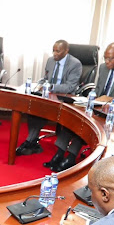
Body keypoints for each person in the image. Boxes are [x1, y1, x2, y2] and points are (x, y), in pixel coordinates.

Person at [15, 40, 83, 171]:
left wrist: (51, 86)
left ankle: (64, 154)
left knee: (70, 121)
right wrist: (40, 84)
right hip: (49, 95)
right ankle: (31, 142)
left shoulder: (75, 64)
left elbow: (70, 86)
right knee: (34, 107)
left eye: (58, 51)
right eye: (54, 50)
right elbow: (46, 78)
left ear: (66, 51)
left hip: (66, 98)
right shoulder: (50, 61)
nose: (54, 54)